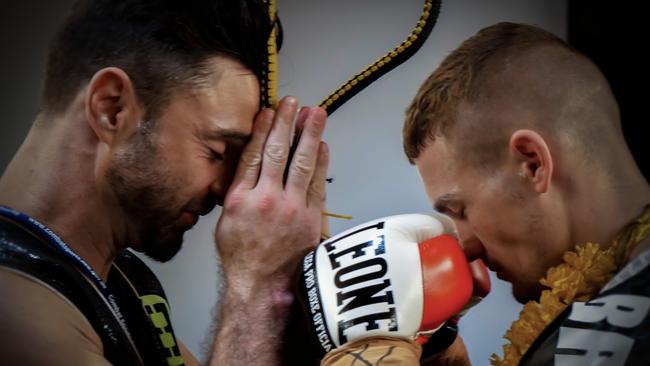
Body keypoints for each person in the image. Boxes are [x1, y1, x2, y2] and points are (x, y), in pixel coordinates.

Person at [299, 22, 650, 365]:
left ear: (532, 164)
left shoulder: (622, 329)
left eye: (460, 209)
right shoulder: (611, 312)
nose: (465, 245)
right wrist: (440, 355)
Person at [0, 1, 329, 365]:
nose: (225, 193)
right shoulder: (13, 310)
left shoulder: (121, 280)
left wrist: (299, 291)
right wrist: (258, 285)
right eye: (217, 152)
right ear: (112, 109)